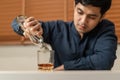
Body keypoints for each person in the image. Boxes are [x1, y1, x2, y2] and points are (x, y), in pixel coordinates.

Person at [11, 0, 117, 70]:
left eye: (92, 17)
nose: (83, 21)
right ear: (74, 7)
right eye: (80, 12)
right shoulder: (58, 28)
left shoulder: (105, 29)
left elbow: (104, 61)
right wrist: (26, 25)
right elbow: (16, 23)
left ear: (102, 17)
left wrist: (66, 67)